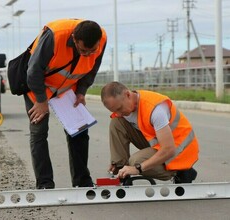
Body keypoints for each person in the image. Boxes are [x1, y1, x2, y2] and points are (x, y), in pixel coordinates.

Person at [24, 18, 107, 189]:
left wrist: (81, 92)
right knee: (39, 131)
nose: (87, 54)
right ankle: (45, 184)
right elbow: (33, 71)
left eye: (92, 50)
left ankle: (82, 182)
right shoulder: (55, 36)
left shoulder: (102, 38)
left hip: (68, 88)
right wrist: (41, 101)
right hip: (40, 86)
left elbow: (92, 69)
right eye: (83, 50)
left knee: (80, 130)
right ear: (74, 38)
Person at [100, 81, 199, 184]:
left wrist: (137, 168)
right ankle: (121, 171)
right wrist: (118, 164)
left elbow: (169, 149)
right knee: (116, 122)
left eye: (119, 108)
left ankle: (179, 171)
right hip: (159, 143)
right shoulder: (125, 108)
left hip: (178, 150)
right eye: (114, 111)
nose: (119, 113)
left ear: (128, 94)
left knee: (136, 161)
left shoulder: (156, 110)